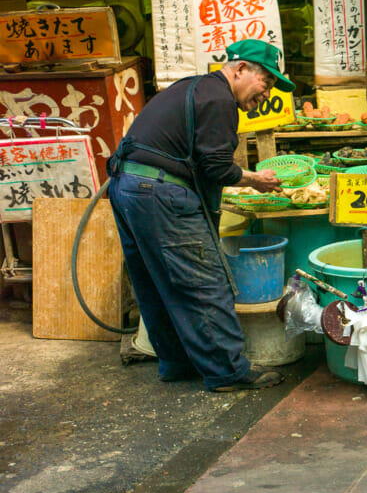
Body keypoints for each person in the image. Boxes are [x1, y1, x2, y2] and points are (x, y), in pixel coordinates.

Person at [107, 39, 294, 392]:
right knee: (204, 281)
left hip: (128, 186)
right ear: (240, 70)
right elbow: (217, 167)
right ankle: (228, 372)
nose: (266, 94)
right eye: (265, 83)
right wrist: (256, 180)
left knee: (157, 280)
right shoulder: (220, 100)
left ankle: (177, 362)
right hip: (159, 193)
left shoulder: (193, 87)